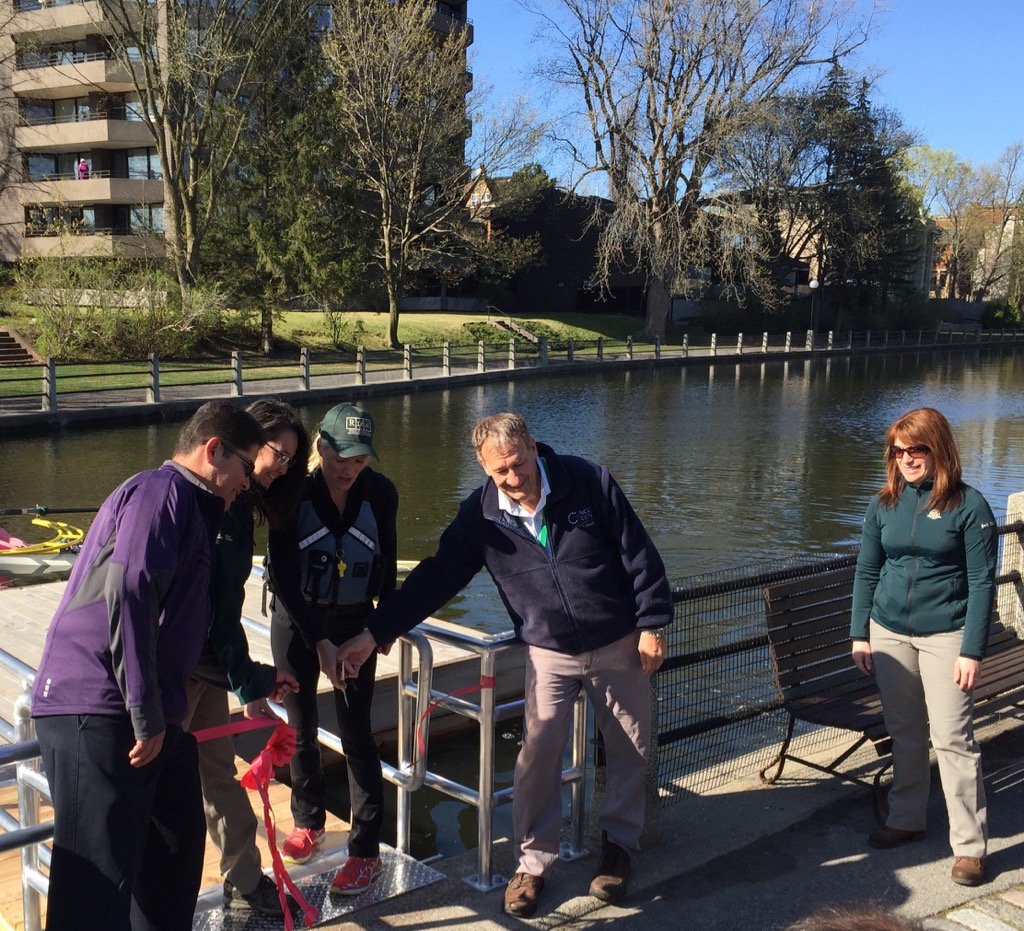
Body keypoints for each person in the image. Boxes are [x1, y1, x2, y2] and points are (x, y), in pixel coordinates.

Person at [338, 412, 672, 917]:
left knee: (629, 745)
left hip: (616, 640)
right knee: (537, 753)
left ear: (533, 447)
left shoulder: (588, 481)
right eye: (500, 471)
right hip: (549, 651)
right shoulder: (481, 515)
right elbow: (437, 576)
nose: (514, 478)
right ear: (483, 467)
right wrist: (376, 632)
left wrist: (652, 624)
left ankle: (618, 848)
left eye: (518, 463)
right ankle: (533, 863)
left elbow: (638, 553)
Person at [31, 400, 264, 930]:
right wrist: (144, 710)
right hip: (98, 707)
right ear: (213, 450)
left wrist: (262, 679)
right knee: (93, 892)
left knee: (174, 851)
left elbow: (184, 631)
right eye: (246, 466)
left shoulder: (195, 511)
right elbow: (131, 588)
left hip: (150, 719)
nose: (248, 482)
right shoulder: (162, 491)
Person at [850, 407, 997, 887]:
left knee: (953, 738)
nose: (907, 459)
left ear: (939, 449)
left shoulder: (969, 507)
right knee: (905, 731)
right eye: (898, 451)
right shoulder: (883, 505)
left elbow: (982, 582)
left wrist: (972, 650)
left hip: (947, 635)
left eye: (917, 449)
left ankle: (969, 848)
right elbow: (867, 570)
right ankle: (907, 819)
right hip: (889, 632)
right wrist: (859, 633)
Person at [184, 399, 309, 915]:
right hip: (175, 670)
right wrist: (250, 680)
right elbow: (214, 610)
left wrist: (247, 685)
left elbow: (226, 610)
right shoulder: (212, 504)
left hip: (208, 669)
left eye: (291, 461)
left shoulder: (239, 508)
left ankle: (245, 880)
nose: (283, 468)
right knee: (161, 790)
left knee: (218, 772)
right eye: (278, 454)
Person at [267, 402, 398, 896]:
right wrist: (317, 639)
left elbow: (387, 565)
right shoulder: (291, 491)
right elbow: (283, 574)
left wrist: (381, 629)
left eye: (360, 460)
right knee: (300, 726)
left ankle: (365, 851)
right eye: (340, 458)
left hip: (355, 625)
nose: (349, 470)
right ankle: (309, 821)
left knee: (357, 734)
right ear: (319, 447)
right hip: (297, 620)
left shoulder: (381, 493)